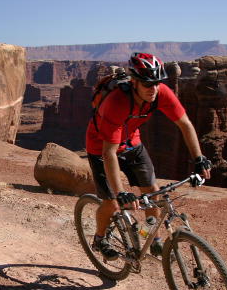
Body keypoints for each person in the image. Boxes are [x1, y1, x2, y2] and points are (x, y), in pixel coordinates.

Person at [85, 52, 212, 260]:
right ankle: (100, 238)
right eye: (147, 84)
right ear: (134, 82)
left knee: (152, 192)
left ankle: (154, 240)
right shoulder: (117, 102)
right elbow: (109, 153)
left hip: (132, 143)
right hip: (101, 147)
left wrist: (199, 158)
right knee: (112, 203)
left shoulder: (161, 93)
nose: (153, 89)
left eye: (156, 83)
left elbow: (185, 124)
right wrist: (120, 192)